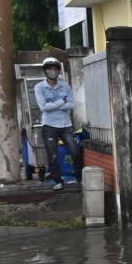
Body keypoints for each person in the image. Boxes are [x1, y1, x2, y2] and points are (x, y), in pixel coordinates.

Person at [33, 57, 82, 189]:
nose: (53, 71)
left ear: (58, 71)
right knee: (52, 156)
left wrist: (54, 104)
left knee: (75, 152)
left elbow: (71, 104)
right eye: (50, 69)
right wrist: (62, 102)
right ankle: (58, 181)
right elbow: (43, 107)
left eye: (55, 69)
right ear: (45, 71)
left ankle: (80, 178)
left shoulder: (65, 85)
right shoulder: (39, 87)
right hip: (49, 126)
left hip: (66, 125)